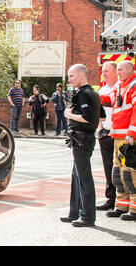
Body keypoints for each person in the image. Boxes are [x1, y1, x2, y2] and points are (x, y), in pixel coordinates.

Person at [60, 64, 105, 227]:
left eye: (71, 76)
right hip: (82, 138)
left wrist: (69, 114)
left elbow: (88, 117)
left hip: (82, 139)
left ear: (80, 75)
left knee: (84, 177)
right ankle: (75, 212)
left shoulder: (85, 93)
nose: (69, 80)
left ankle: (87, 216)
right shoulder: (92, 92)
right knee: (76, 176)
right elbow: (101, 116)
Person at [101, 60, 136, 221]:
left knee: (129, 173)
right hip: (117, 136)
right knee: (118, 173)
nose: (119, 72)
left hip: (127, 137)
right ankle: (121, 205)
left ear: (130, 69)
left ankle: (134, 208)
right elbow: (108, 101)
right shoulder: (122, 86)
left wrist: (132, 132)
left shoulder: (133, 85)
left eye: (121, 70)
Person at [96, 61, 118, 211]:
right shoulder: (102, 89)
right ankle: (110, 198)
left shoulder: (121, 88)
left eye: (107, 71)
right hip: (105, 132)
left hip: (118, 133)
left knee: (120, 168)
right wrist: (100, 129)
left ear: (115, 72)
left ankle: (123, 199)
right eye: (103, 71)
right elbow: (99, 112)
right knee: (108, 167)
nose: (104, 73)